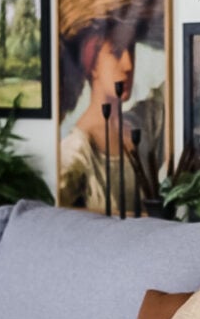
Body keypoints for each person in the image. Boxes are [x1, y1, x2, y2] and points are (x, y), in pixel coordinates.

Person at [58, 19, 164, 213]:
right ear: (93, 65)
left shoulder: (139, 124)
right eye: (116, 52)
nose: (128, 64)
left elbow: (167, 94)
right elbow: (58, 218)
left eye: (131, 50)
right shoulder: (75, 152)